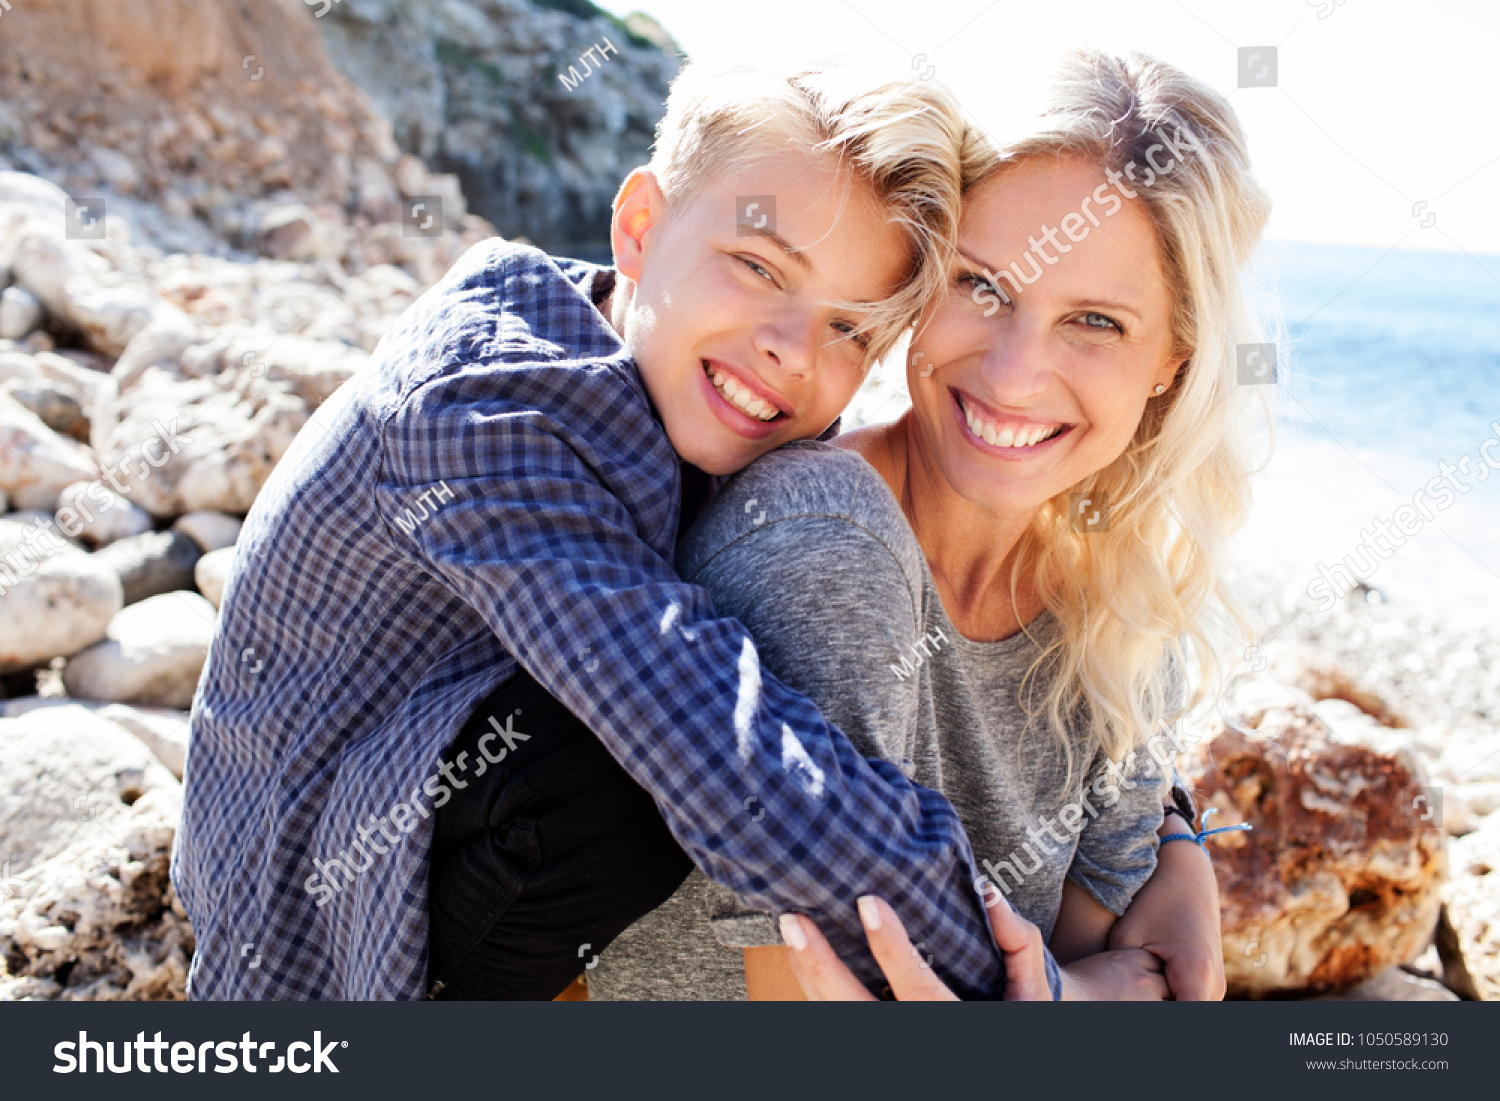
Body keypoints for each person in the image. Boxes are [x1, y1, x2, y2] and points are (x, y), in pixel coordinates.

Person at [171, 58, 1057, 1001]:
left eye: (849, 329)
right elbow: (734, 759)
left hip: (443, 786)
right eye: (759, 268)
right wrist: (1024, 981)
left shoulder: (710, 386)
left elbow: (949, 578)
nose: (791, 352)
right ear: (640, 228)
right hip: (308, 900)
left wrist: (1164, 820)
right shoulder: (483, 412)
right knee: (629, 769)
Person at [584, 47, 1269, 1001]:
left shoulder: (1120, 619)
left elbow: (1114, 961)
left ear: (1172, 362)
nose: (1014, 373)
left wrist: (1175, 849)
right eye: (981, 286)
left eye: (1097, 322)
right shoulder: (825, 543)